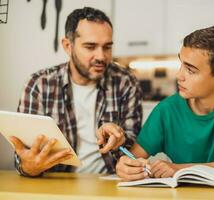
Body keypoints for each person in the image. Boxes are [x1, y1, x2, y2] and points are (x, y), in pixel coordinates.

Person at [116, 26, 214, 181]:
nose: (179, 75)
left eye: (190, 70)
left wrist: (178, 169)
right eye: (181, 64)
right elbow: (132, 159)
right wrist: (125, 167)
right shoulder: (166, 111)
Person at [10, 7, 142, 177]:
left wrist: (121, 140)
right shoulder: (40, 84)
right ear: (68, 46)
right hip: (55, 182)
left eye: (107, 47)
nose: (101, 56)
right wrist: (28, 167)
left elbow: (134, 152)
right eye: (90, 47)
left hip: (110, 182)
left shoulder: (127, 83)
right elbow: (23, 157)